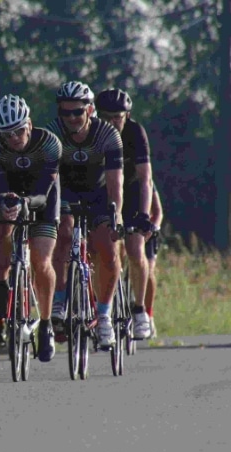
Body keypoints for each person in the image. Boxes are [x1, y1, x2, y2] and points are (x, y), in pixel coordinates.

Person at [0, 94, 62, 362]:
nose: (15, 137)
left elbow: (43, 193)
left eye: (19, 130)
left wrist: (26, 202)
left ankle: (46, 323)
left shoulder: (49, 143)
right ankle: (3, 281)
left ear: (29, 123)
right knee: (0, 226)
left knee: (41, 261)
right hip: (11, 193)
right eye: (8, 134)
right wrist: (7, 203)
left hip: (43, 196)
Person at [47, 81, 125, 350]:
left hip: (99, 195)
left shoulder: (108, 135)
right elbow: (50, 179)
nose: (71, 118)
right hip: (66, 193)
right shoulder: (53, 133)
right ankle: (59, 298)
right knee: (62, 236)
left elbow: (116, 182)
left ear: (90, 110)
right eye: (65, 113)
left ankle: (103, 314)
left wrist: (117, 214)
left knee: (108, 250)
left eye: (77, 112)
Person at [95, 88, 153, 340]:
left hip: (129, 195)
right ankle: (99, 308)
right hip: (102, 195)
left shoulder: (135, 132)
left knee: (136, 249)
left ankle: (140, 310)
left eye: (117, 117)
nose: (111, 122)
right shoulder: (94, 132)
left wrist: (143, 214)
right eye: (105, 117)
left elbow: (145, 179)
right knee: (103, 251)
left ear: (127, 115)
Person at [146, 181, 164, 338]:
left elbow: (158, 212)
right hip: (122, 229)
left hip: (146, 230)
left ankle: (149, 315)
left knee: (148, 271)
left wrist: (154, 228)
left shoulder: (147, 179)